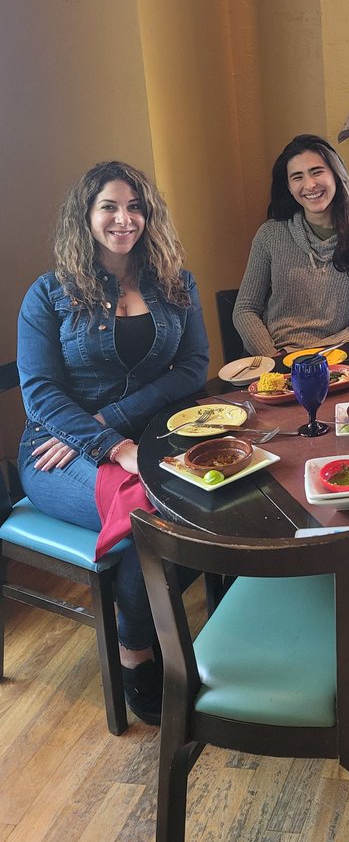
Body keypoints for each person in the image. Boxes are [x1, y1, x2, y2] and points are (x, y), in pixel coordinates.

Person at [17, 161, 209, 724]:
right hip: (57, 451)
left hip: (141, 436)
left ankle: (168, 633)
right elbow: (41, 396)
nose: (124, 219)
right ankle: (137, 656)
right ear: (87, 215)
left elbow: (193, 367)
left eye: (134, 207)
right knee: (151, 515)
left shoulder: (175, 281)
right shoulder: (48, 293)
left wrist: (113, 420)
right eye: (109, 206)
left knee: (205, 501)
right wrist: (104, 443)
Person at [233, 134, 349, 355]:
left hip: (343, 357)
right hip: (279, 357)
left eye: (317, 172)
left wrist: (311, 355)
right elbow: (244, 309)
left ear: (336, 175)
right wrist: (273, 357)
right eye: (297, 177)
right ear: (288, 187)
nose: (310, 185)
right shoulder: (270, 235)